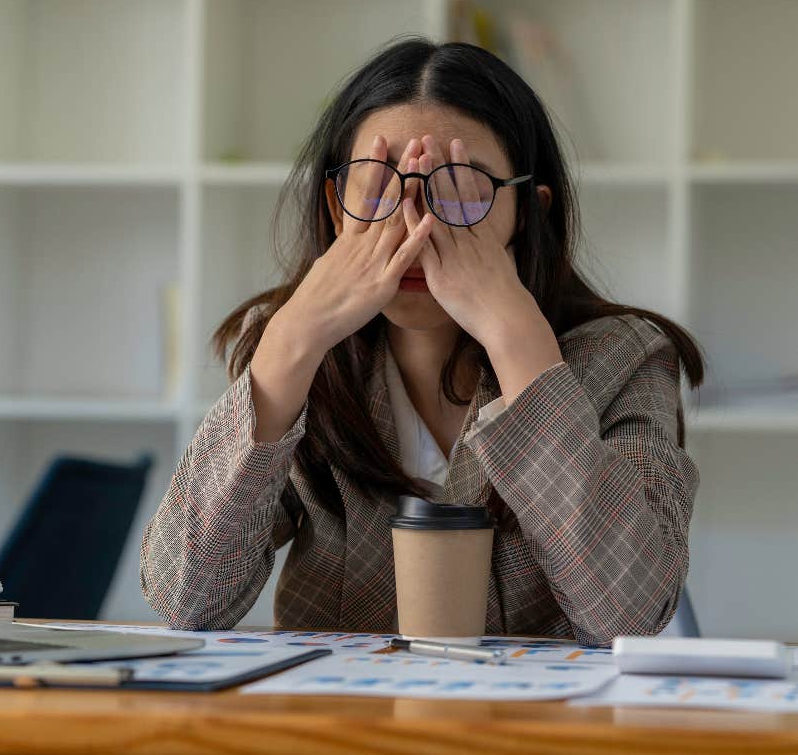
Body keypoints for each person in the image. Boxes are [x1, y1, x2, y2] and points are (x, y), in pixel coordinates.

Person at [140, 37, 704, 646]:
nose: (414, 224)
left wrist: (520, 346)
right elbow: (185, 597)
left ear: (529, 212)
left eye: (459, 188)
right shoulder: (293, 352)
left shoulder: (626, 358)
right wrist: (291, 342)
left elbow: (631, 613)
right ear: (336, 206)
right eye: (378, 185)